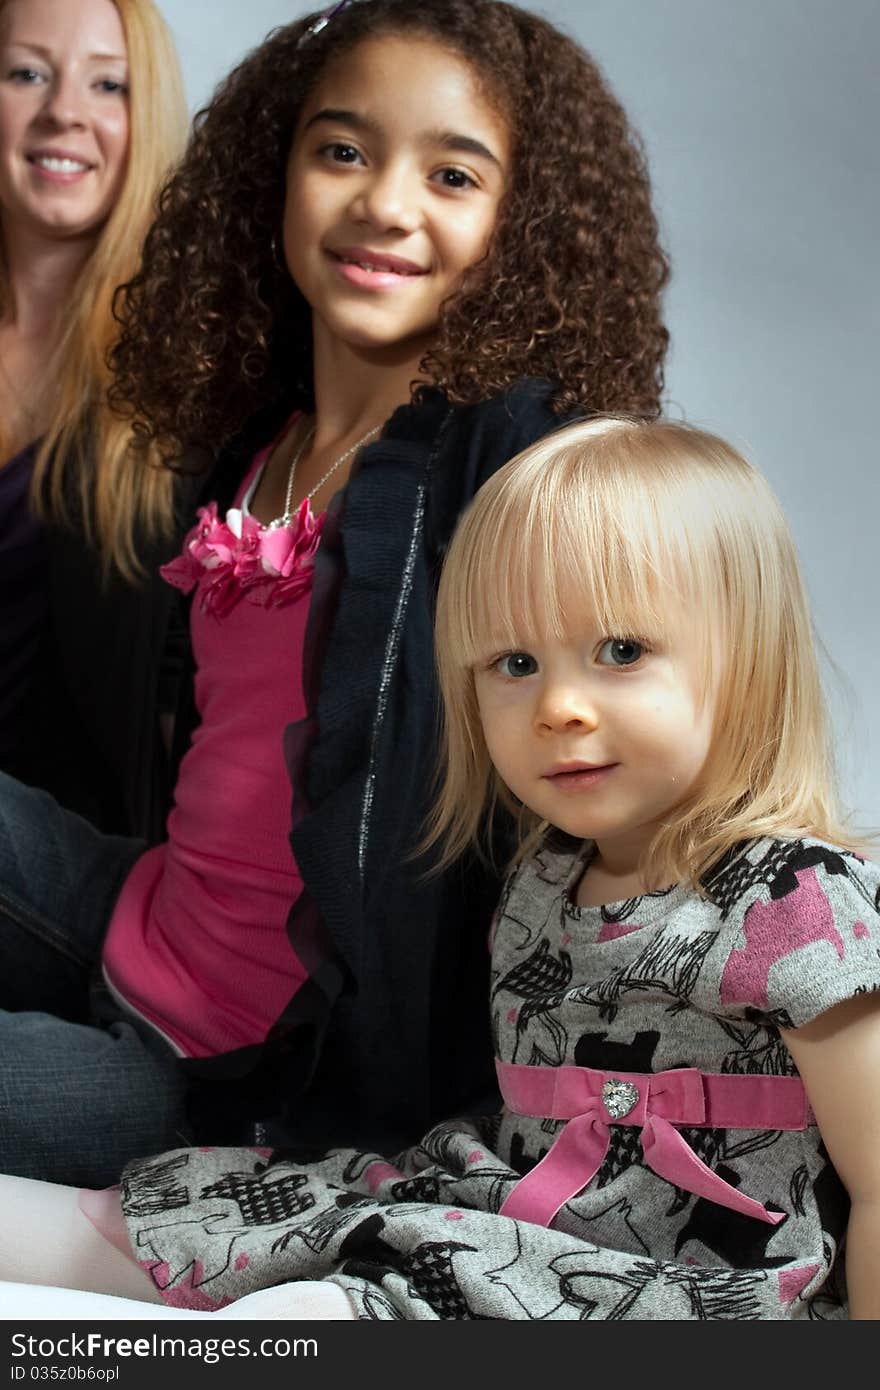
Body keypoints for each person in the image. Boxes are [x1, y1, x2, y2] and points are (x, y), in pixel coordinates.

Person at [0, 0, 669, 1186]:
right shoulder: (263, 437)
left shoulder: (503, 469)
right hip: (134, 911)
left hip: (233, 1083)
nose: (384, 204)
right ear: (277, 171)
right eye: (343, 150)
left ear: (522, 227)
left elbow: (646, 697)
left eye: (452, 175)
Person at [3, 415, 877, 1321]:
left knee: (328, 1308)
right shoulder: (544, 883)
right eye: (515, 662)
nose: (559, 707)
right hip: (508, 1213)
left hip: (676, 1291)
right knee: (223, 1219)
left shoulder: (797, 897)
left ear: (750, 658)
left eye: (621, 651)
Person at [0, 0, 188, 838]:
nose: (64, 111)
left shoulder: (188, 372)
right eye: (26, 73)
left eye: (108, 84)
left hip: (71, 857)